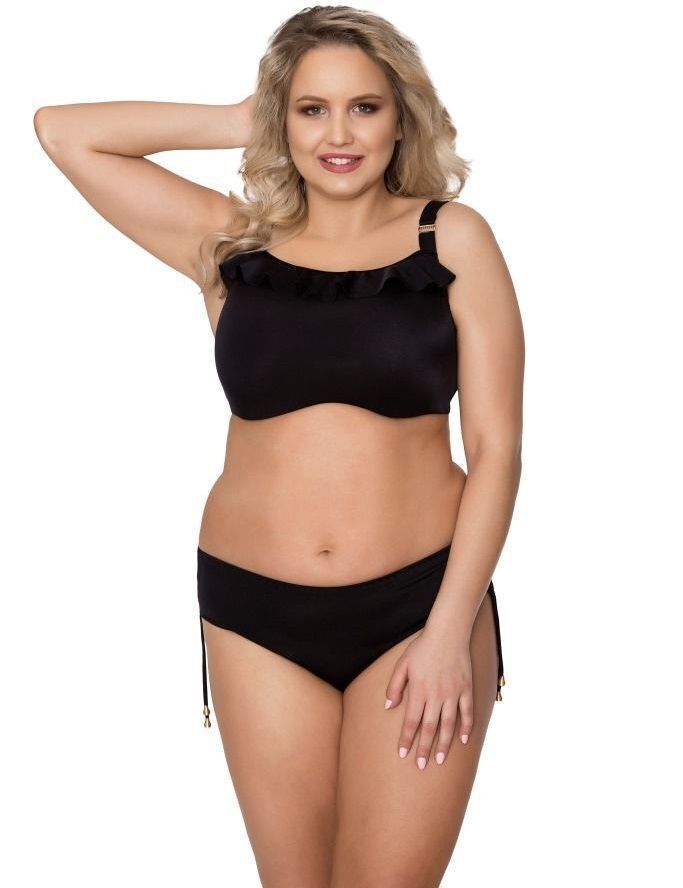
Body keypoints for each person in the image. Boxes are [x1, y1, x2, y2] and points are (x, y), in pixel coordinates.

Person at [34, 6, 524, 886]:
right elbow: (64, 133)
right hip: (253, 616)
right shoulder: (232, 243)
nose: (338, 134)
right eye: (310, 109)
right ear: (281, 120)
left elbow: (496, 449)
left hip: (416, 609)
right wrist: (243, 116)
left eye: (363, 107)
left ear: (400, 116)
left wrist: (450, 630)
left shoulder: (451, 237)